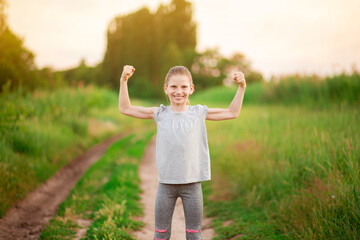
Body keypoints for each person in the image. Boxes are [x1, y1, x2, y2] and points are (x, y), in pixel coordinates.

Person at [119, 65, 246, 240]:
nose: (179, 91)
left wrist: (241, 87)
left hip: (192, 186)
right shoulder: (160, 113)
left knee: (194, 236)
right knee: (161, 235)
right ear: (166, 89)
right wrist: (124, 81)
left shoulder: (198, 113)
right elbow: (125, 108)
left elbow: (232, 112)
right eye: (173, 86)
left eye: (184, 86)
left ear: (191, 89)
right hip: (166, 187)